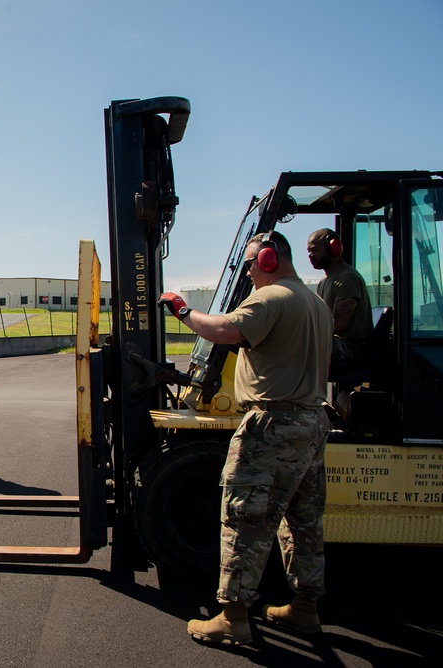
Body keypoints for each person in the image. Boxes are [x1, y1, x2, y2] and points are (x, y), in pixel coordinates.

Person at [158, 230, 332, 647]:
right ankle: (305, 606)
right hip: (310, 423)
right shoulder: (317, 304)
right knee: (302, 519)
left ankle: (233, 616)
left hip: (272, 425)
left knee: (244, 517)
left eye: (251, 264)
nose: (249, 272)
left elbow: (224, 330)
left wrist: (181, 310)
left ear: (269, 260)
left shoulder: (271, 298)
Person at [306, 228, 373, 362]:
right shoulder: (324, 281)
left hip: (351, 346)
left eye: (315, 250)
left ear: (334, 248)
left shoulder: (346, 278)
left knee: (296, 347)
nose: (310, 255)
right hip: (336, 341)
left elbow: (339, 324)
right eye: (309, 251)